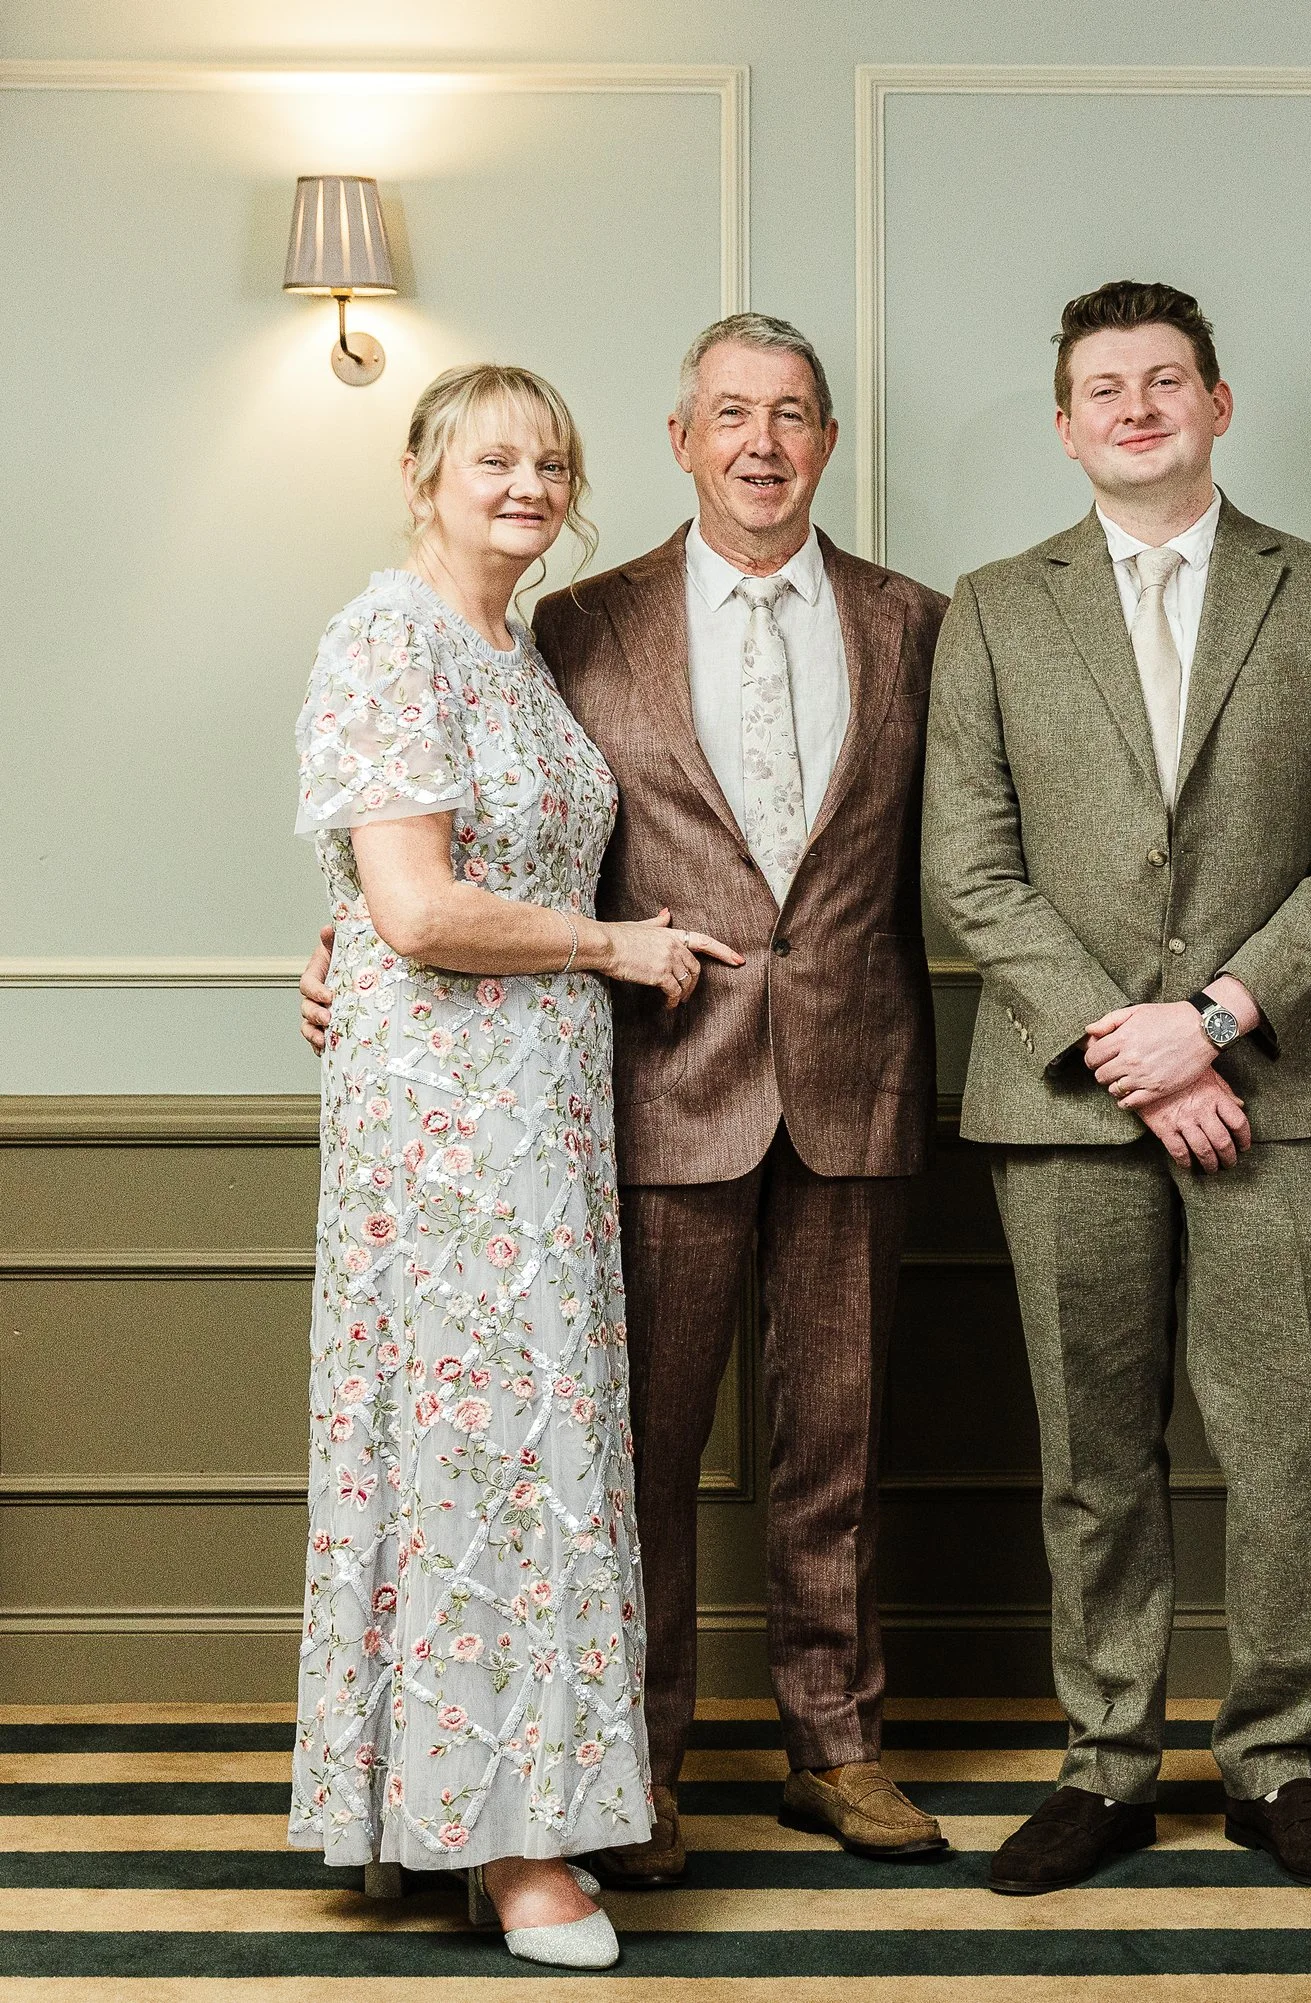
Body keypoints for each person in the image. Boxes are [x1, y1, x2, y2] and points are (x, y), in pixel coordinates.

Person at [300, 313, 950, 1884]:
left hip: (851, 1072)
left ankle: (837, 1745)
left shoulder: (917, 623)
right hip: (650, 1080)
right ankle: (634, 1769)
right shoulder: (580, 623)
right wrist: (345, 939)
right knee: (627, 1451)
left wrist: (375, 924)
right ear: (680, 441)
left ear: (828, 440)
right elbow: (428, 855)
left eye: (791, 415)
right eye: (730, 412)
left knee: (838, 1438)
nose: (761, 442)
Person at [922, 279, 1311, 1896]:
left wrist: (1214, 1016)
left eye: (1166, 380)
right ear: (1066, 427)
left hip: (1288, 1090)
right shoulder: (994, 609)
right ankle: (1106, 1764)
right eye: (1105, 389)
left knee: (1294, 1444)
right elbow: (970, 869)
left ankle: (1279, 1765)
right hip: (1064, 1102)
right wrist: (1125, 1044)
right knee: (1092, 1453)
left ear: (1218, 404)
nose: (1137, 408)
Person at [290, 362, 740, 1970]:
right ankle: (506, 1843)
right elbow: (416, 907)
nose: (530, 484)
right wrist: (610, 944)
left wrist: (342, 935)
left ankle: (494, 1796)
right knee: (475, 1450)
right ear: (423, 470)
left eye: (551, 460)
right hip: (446, 1118)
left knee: (541, 1447)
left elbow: (402, 886)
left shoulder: (521, 649)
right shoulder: (387, 639)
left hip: (542, 1104)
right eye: (494, 459)